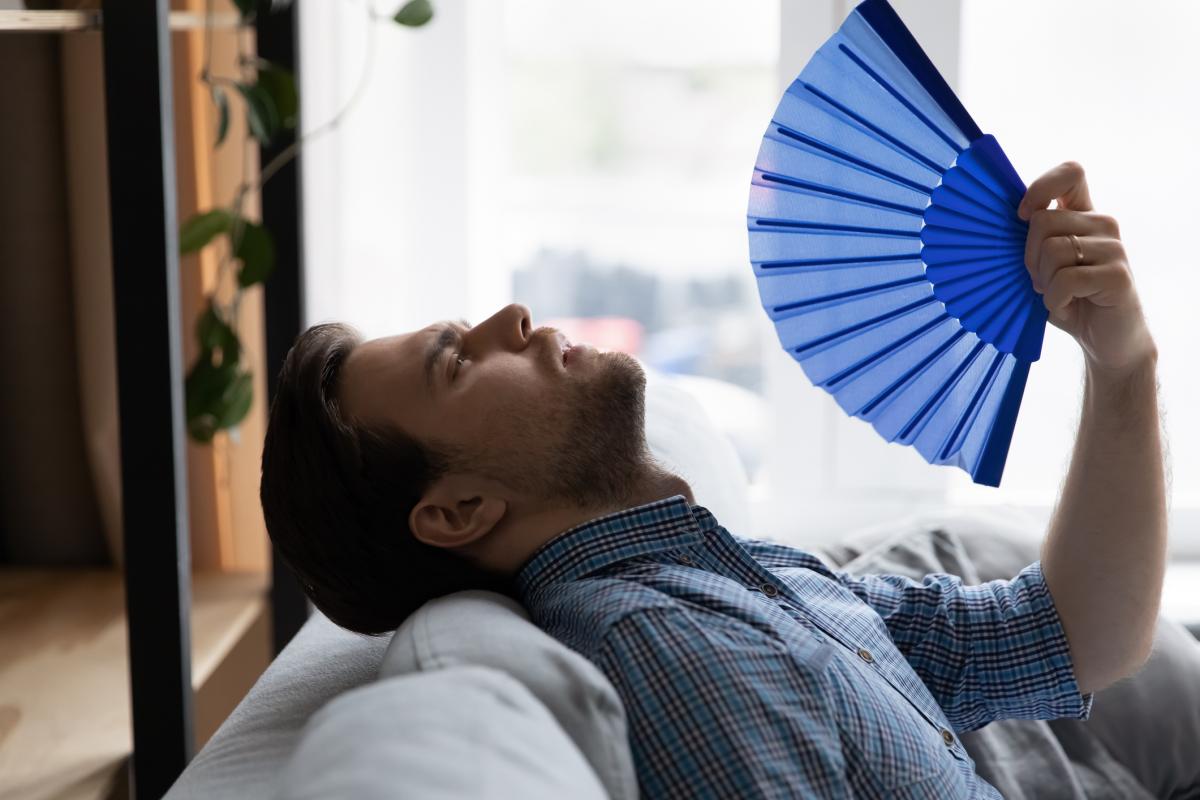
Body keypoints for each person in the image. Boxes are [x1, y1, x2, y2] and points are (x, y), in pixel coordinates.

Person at [260, 161, 1166, 798]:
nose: (512, 315)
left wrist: (1120, 363)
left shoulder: (721, 573)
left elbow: (1064, 635)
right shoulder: (669, 649)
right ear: (458, 511)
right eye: (456, 360)